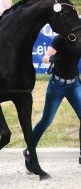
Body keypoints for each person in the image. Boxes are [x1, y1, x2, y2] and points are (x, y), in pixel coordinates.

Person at [23, 35, 81, 170]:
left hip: (74, 84)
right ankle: (29, 151)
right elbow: (44, 58)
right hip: (57, 85)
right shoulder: (60, 38)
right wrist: (50, 59)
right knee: (46, 120)